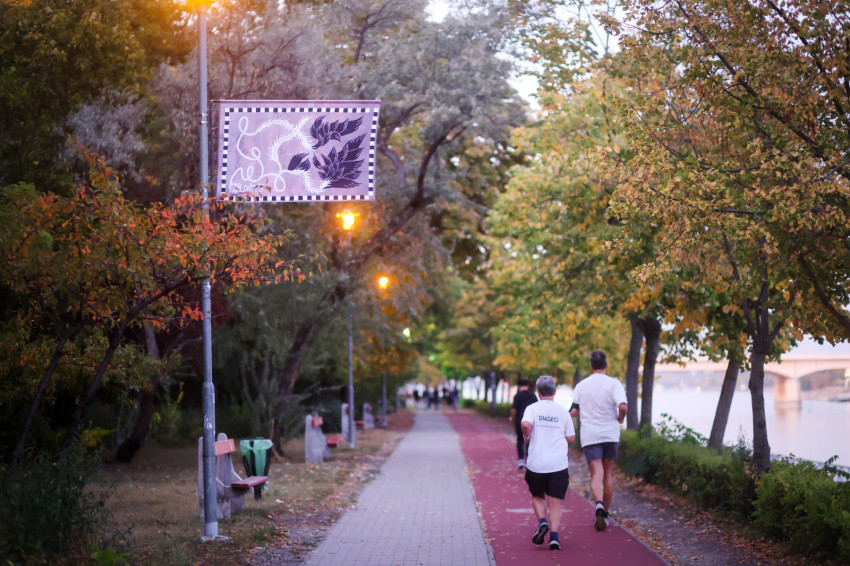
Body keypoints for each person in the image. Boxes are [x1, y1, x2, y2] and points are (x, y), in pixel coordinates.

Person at [569, 350, 628, 532]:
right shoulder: (614, 383)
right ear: (606, 364)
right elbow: (623, 406)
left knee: (596, 473)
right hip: (610, 434)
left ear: (591, 366)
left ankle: (599, 505)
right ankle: (606, 514)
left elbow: (573, 411)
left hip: (590, 435)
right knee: (607, 473)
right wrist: (620, 418)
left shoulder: (582, 385)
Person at [521, 375, 576, 551]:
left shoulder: (532, 408)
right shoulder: (563, 412)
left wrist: (527, 436)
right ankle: (554, 538)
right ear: (555, 391)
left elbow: (525, 425)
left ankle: (542, 521)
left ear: (538, 392)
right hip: (558, 464)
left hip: (537, 463)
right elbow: (571, 438)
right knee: (555, 502)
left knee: (537, 496)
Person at [509, 378, 538, 469]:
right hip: (531, 422)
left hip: (519, 421)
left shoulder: (517, 396)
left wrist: (512, 418)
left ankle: (521, 460)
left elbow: (513, 410)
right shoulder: (533, 395)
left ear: (519, 386)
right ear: (527, 386)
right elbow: (537, 408)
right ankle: (529, 460)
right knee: (530, 440)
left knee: (520, 440)